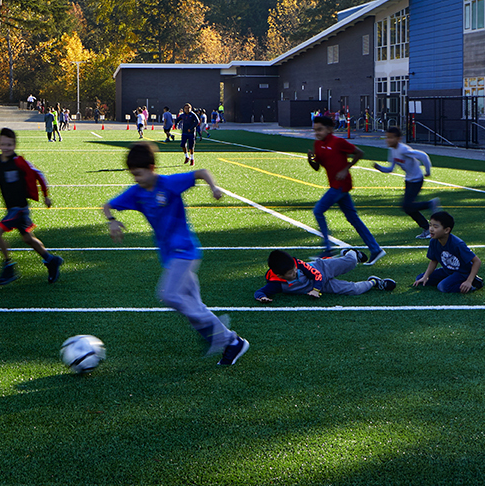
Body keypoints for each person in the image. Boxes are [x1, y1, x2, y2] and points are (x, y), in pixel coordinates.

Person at [101, 142, 249, 365]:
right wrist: (112, 222)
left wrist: (214, 188)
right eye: (133, 175)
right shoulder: (136, 193)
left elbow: (201, 172)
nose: (136, 179)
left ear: (151, 168)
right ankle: (229, 341)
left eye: (139, 174)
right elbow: (107, 206)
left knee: (169, 295)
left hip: (186, 251)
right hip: (169, 256)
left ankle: (227, 338)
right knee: (193, 305)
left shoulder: (169, 184)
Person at [0, 128, 62, 285]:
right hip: (11, 208)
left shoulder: (19, 162)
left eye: (9, 144)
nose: (6, 147)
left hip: (19, 208)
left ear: (14, 145)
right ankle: (51, 260)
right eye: (3, 144)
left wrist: (46, 196)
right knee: (27, 238)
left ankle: (9, 267)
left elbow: (39, 175)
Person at [307, 113, 386, 264]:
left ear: (330, 129)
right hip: (336, 185)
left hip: (341, 185)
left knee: (318, 210)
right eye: (315, 130)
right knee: (353, 218)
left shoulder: (338, 142)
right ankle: (375, 249)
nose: (317, 133)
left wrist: (346, 168)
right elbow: (317, 167)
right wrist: (310, 159)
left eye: (320, 129)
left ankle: (328, 249)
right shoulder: (318, 144)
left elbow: (359, 152)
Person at [254, 249, 395, 302]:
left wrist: (315, 290)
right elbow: (260, 291)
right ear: (280, 275)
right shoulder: (276, 284)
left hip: (323, 269)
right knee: (354, 290)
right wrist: (262, 297)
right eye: (290, 273)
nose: (294, 272)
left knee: (351, 262)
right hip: (322, 286)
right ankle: (375, 282)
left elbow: (317, 275)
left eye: (294, 269)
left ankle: (351, 252)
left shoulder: (298, 264)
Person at [372, 127, 439, 238]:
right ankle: (426, 228)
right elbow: (391, 169)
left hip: (417, 179)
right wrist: (379, 168)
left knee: (407, 206)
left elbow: (424, 156)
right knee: (407, 207)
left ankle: (430, 205)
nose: (388, 140)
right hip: (409, 180)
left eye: (391, 138)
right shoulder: (393, 150)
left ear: (398, 139)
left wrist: (427, 171)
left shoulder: (403, 149)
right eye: (387, 137)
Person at [414, 210, 484, 293]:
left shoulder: (457, 244)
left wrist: (468, 281)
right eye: (430, 225)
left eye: (435, 227)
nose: (431, 229)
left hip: (462, 272)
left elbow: (477, 261)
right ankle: (450, 280)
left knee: (442, 287)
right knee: (420, 279)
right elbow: (434, 260)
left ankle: (473, 283)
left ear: (446, 230)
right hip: (447, 270)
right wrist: (426, 276)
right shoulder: (433, 241)